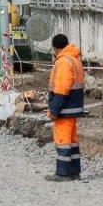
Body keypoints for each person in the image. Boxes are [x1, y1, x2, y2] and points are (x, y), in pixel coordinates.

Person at [45, 34, 85, 182]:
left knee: (63, 140)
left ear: (55, 48)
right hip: (74, 107)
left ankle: (62, 173)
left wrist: (54, 110)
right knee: (72, 141)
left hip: (65, 108)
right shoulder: (75, 59)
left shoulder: (63, 62)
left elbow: (62, 89)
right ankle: (74, 173)